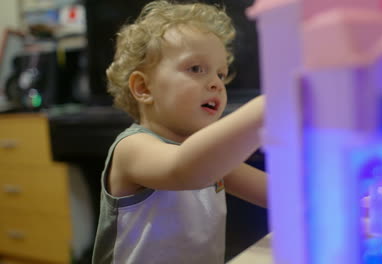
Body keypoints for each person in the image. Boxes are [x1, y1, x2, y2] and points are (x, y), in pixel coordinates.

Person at [92, 1, 267, 263]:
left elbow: (276, 193)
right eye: (196, 69)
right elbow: (184, 169)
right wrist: (270, 106)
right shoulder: (133, 148)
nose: (216, 84)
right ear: (143, 87)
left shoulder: (211, 162)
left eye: (221, 74)